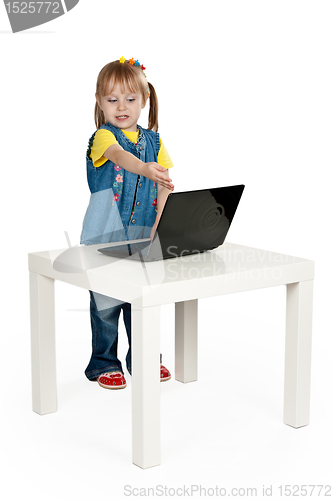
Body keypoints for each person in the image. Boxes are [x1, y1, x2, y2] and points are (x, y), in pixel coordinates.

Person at [80, 57, 174, 389]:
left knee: (143, 301)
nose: (122, 106)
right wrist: (145, 168)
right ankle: (104, 363)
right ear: (100, 102)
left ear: (144, 100)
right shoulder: (103, 138)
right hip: (104, 236)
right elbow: (121, 157)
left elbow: (164, 186)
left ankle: (145, 359)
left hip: (143, 237)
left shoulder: (156, 142)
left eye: (130, 99)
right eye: (112, 99)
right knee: (106, 304)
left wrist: (158, 226)